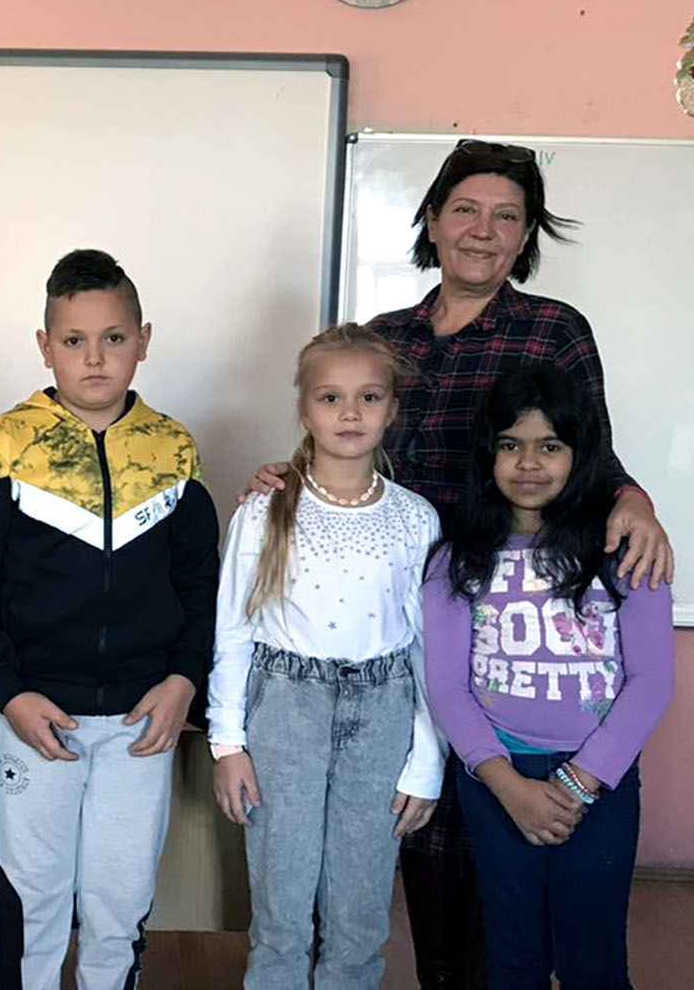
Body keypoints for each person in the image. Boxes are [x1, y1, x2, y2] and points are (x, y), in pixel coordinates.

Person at [244, 139, 673, 988]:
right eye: (467, 210)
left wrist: (635, 502)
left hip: (513, 624)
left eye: (507, 216)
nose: (484, 229)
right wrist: (288, 482)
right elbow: (345, 453)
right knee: (430, 857)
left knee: (514, 889)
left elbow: (591, 453)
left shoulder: (551, 329)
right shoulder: (385, 338)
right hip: (407, 628)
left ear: (526, 236)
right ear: (433, 220)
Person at [0, 249, 219, 990]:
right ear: (45, 346)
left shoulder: (173, 449)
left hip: (142, 720)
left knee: (118, 903)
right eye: (74, 340)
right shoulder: (6, 444)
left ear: (144, 340)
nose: (95, 357)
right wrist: (9, 691)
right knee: (32, 903)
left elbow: (201, 582)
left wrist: (183, 681)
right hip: (33, 714)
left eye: (113, 338)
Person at [207, 324, 443, 989]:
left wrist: (427, 759)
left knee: (361, 910)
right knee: (281, 904)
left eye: (369, 397)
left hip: (384, 714)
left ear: (391, 409)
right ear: (305, 409)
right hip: (284, 712)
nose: (350, 413)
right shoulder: (263, 512)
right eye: (331, 397)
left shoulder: (415, 518)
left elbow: (426, 647)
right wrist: (228, 745)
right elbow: (233, 632)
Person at [423, 364, 674, 989]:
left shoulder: (625, 554)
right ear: (488, 456)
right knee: (512, 955)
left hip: (599, 780)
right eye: (511, 445)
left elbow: (652, 681)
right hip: (496, 778)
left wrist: (578, 784)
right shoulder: (455, 560)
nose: (529, 463)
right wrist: (507, 785)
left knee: (594, 959)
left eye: (550, 446)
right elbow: (447, 687)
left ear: (580, 455)